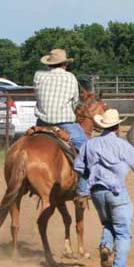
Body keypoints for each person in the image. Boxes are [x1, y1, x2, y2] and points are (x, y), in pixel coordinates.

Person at [73, 109, 134, 267]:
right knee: (123, 232)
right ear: (118, 127)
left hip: (97, 192)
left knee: (108, 223)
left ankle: (106, 245)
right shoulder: (123, 146)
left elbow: (78, 167)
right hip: (117, 191)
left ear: (102, 126)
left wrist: (88, 178)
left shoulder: (89, 144)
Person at [33, 48, 90, 201]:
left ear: (49, 64)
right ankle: (84, 190)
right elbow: (75, 102)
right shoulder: (71, 78)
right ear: (64, 64)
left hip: (42, 123)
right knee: (87, 149)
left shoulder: (38, 76)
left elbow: (37, 96)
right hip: (65, 123)